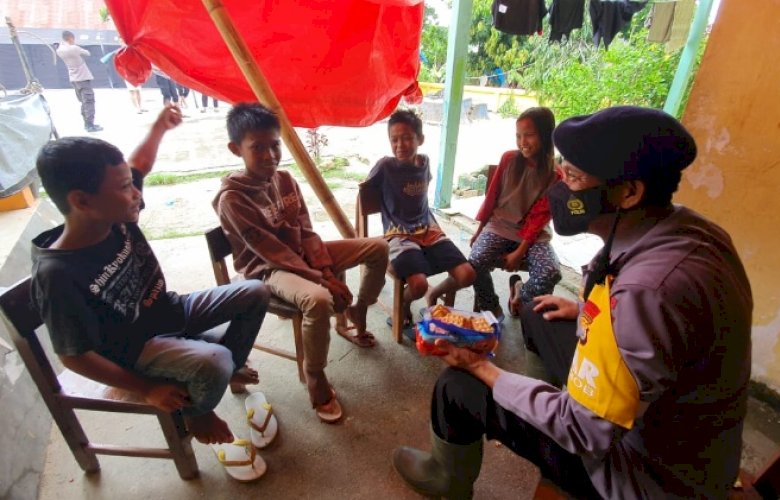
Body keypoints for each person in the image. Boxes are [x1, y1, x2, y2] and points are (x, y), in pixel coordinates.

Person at [391, 106, 753, 499]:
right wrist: (585, 311)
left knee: (458, 384)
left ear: (629, 192)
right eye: (562, 172)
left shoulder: (650, 291)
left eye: (575, 178)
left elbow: (586, 430)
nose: (560, 189)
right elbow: (660, 332)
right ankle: (535, 398)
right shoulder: (688, 230)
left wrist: (483, 369)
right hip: (661, 429)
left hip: (637, 472)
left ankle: (447, 479)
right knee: (537, 311)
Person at [31, 105, 270, 445]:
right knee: (215, 361)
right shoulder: (57, 273)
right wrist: (146, 389)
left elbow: (139, 163)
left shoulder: (112, 212)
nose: (137, 193)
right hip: (134, 350)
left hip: (169, 311)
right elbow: (73, 356)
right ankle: (197, 413)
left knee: (255, 292)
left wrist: (159, 127)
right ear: (82, 201)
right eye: (127, 186)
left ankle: (227, 372)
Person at [212, 103, 389, 423]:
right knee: (318, 299)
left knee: (377, 247)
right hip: (268, 269)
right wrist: (324, 281)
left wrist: (323, 268)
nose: (270, 155)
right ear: (235, 149)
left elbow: (307, 231)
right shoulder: (232, 199)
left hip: (303, 257)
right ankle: (315, 375)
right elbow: (273, 253)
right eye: (258, 148)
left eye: (275, 145)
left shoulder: (286, 180)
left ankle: (359, 308)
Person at [361, 109, 475, 333]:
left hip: (429, 230)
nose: (400, 145)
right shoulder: (386, 166)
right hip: (399, 234)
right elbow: (365, 193)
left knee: (467, 274)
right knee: (418, 284)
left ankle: (435, 294)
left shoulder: (425, 162)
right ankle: (402, 305)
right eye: (394, 139)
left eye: (407, 138)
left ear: (420, 139)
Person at [468, 107, 562, 321]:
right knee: (475, 259)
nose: (522, 142)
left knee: (550, 272)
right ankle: (491, 305)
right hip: (500, 226)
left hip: (534, 235)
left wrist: (519, 252)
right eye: (518, 136)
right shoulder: (509, 159)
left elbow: (538, 219)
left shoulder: (555, 174)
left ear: (546, 135)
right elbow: (491, 198)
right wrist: (480, 230)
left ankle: (521, 297)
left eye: (529, 135)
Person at [56, 31, 102, 132]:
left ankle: (87, 123)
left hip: (74, 79)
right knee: (89, 101)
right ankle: (89, 124)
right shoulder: (74, 48)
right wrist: (74, 45)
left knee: (83, 102)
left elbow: (62, 46)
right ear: (71, 38)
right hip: (83, 78)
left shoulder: (59, 50)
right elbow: (87, 53)